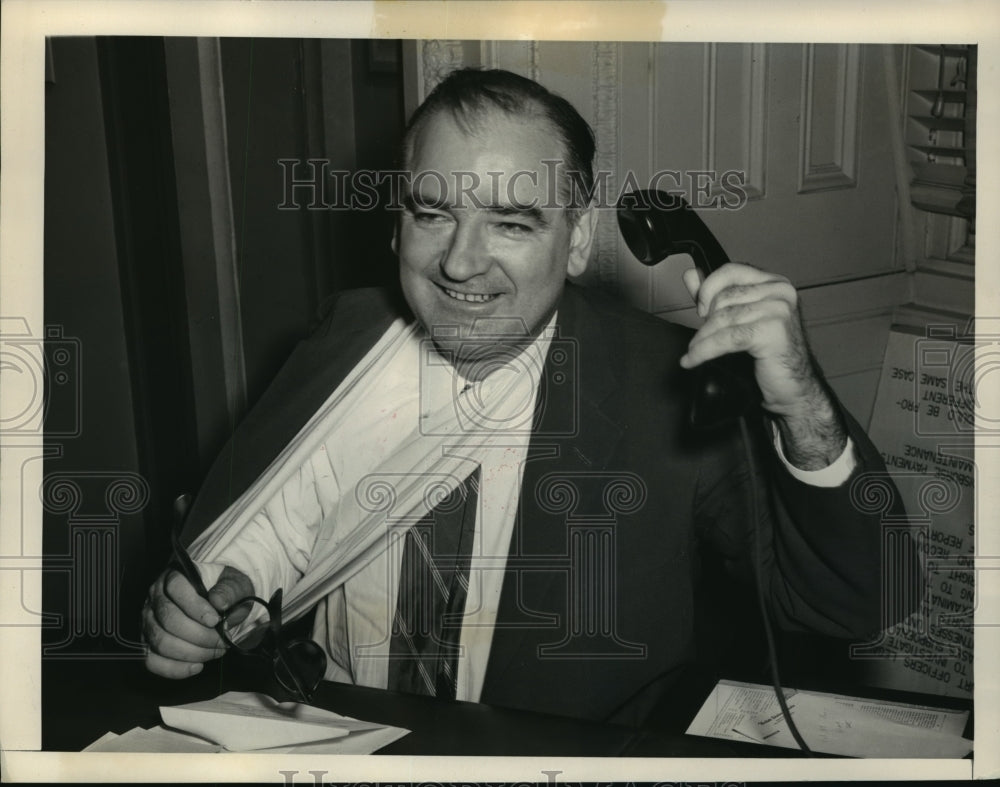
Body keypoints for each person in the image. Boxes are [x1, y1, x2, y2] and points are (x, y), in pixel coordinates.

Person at [143, 68, 916, 726]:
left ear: (576, 241)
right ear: (397, 224)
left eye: (511, 223)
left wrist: (802, 406)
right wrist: (212, 598)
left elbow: (860, 602)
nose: (460, 262)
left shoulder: (669, 387)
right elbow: (277, 517)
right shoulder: (345, 336)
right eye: (433, 213)